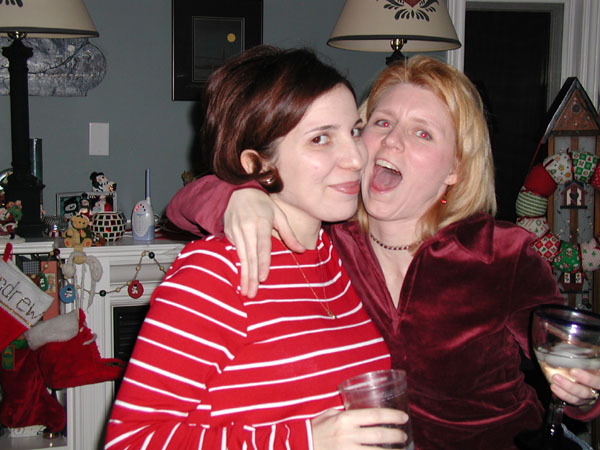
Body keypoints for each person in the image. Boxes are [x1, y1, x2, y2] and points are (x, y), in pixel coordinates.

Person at [166, 55, 600, 449]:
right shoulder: (328, 242)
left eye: (422, 132)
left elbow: (572, 368)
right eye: (382, 122)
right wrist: (237, 196)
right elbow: (182, 207)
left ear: (454, 169)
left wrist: (584, 392)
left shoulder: (501, 252)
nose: (392, 141)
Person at [104, 46, 410, 450]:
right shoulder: (217, 271)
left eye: (354, 131)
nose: (355, 158)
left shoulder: (342, 254)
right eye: (320, 139)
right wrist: (302, 441)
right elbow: (129, 441)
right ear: (257, 164)